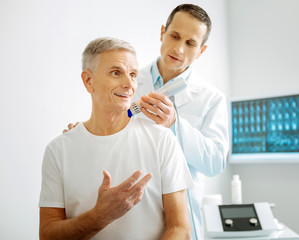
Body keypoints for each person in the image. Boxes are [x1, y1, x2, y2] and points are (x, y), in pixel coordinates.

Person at [65, 4, 229, 239]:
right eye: (174, 36)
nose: (179, 49)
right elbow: (105, 129)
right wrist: (82, 135)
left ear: (201, 51)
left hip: (181, 219)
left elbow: (215, 163)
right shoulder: (127, 81)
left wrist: (175, 124)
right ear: (162, 33)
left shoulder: (211, 99)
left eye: (190, 43)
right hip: (131, 216)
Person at [39, 37, 193, 240]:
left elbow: (180, 229)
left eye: (133, 74)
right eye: (116, 73)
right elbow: (47, 234)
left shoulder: (162, 141)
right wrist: (99, 217)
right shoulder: (58, 150)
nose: (129, 84)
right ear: (88, 81)